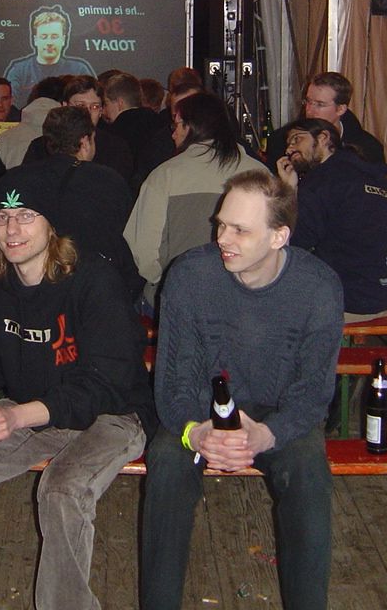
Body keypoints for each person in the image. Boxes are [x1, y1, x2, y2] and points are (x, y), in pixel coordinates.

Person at [0, 169, 153, 610]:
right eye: (2, 218)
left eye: (25, 216)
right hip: (34, 407)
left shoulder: (94, 279)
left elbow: (108, 382)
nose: (12, 229)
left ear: (51, 225)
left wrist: (19, 414)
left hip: (112, 414)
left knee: (62, 488)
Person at [139, 170, 343, 610]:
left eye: (239, 230)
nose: (222, 239)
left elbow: (313, 392)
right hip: (201, 408)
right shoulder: (190, 275)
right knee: (167, 462)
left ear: (278, 236)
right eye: (220, 225)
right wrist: (196, 432)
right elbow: (173, 380)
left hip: (278, 412)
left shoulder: (318, 287)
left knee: (308, 471)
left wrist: (267, 434)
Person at [123, 91, 265, 312]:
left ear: (192, 127)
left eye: (177, 125)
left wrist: (165, 280)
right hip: (246, 298)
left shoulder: (164, 176)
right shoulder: (260, 173)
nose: (173, 134)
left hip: (178, 297)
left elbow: (142, 248)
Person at [276, 118, 387, 321]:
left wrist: (288, 189)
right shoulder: (384, 182)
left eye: (296, 139)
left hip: (345, 303)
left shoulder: (320, 183)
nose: (289, 149)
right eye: (288, 144)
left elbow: (294, 242)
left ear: (323, 138)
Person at [29, 105, 142, 300]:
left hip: (41, 277)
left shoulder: (27, 178)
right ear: (85, 142)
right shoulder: (108, 181)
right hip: (99, 285)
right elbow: (125, 232)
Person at [266, 71, 385, 170]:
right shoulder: (281, 141)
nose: (309, 110)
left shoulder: (367, 148)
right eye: (308, 101)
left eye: (320, 104)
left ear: (340, 109)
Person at [4, 5, 95, 105]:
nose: (49, 42)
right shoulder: (19, 71)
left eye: (54, 36)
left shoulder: (79, 70)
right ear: (35, 40)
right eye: (44, 37)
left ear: (63, 39)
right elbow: (10, 105)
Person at [103, 72, 174, 193]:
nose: (104, 110)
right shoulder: (163, 127)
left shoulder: (112, 136)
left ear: (120, 103)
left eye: (106, 103)